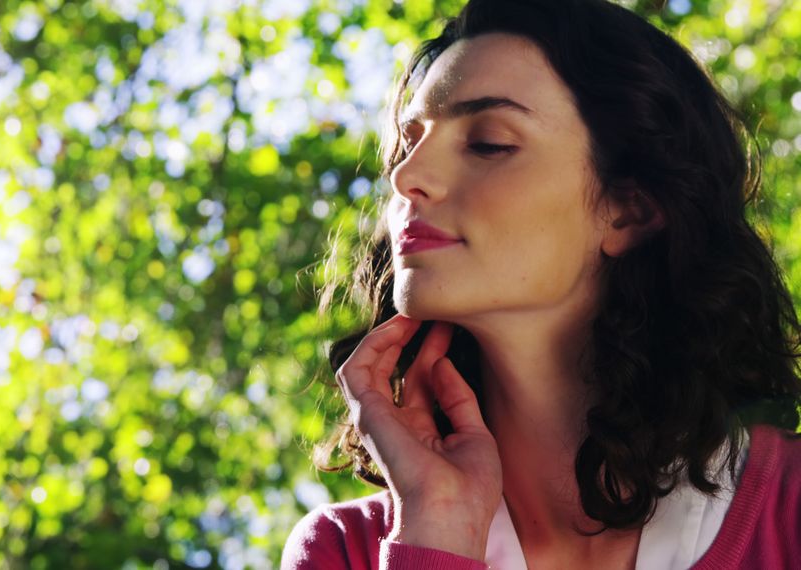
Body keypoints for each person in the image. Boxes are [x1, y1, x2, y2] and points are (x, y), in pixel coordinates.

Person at [282, 0, 801, 568]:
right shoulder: (343, 551)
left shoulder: (789, 511)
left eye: (488, 143)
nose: (407, 176)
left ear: (628, 210)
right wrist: (437, 530)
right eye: (408, 145)